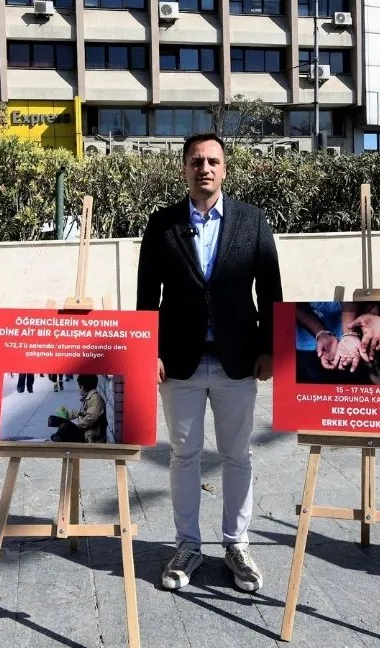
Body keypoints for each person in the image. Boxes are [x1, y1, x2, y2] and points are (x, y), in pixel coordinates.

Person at [137, 132, 283, 593]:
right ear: (183, 168)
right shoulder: (161, 225)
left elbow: (271, 292)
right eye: (197, 161)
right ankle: (187, 545)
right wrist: (149, 351)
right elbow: (146, 298)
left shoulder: (252, 221)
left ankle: (236, 545)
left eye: (213, 161)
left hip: (236, 361)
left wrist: (269, 349)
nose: (205, 168)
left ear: (225, 168)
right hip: (178, 363)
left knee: (238, 455)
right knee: (185, 456)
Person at [51, 374, 108, 443]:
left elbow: (88, 420)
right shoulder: (90, 397)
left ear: (82, 387)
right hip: (86, 430)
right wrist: (68, 414)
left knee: (65, 426)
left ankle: (59, 439)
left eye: (79, 387)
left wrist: (74, 424)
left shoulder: (95, 399)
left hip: (91, 434)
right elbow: (82, 413)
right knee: (57, 422)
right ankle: (59, 437)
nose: (79, 390)